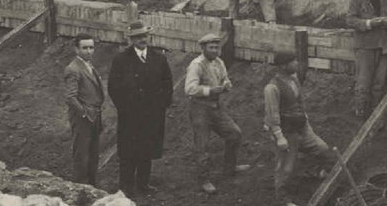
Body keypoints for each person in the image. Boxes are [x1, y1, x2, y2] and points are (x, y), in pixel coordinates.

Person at [264, 52, 337, 206]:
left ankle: (317, 173)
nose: (296, 63)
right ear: (283, 66)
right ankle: (283, 201)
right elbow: (272, 114)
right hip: (286, 133)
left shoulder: (294, 79)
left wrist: (306, 123)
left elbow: (300, 103)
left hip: (301, 128)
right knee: (285, 168)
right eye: (293, 62)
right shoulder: (272, 88)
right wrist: (279, 137)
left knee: (322, 149)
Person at [107, 20, 173, 196]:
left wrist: (162, 106)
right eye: (137, 37)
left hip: (152, 114)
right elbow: (113, 87)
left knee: (147, 149)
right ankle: (125, 186)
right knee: (128, 151)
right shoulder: (121, 60)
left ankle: (143, 184)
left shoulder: (159, 58)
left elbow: (168, 83)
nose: (141, 40)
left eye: (143, 36)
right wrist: (124, 108)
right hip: (130, 115)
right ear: (131, 40)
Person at [185, 32, 249, 195]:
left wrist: (226, 84)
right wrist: (209, 90)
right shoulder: (197, 64)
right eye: (211, 47)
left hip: (215, 106)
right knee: (203, 144)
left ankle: (230, 167)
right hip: (200, 108)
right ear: (203, 48)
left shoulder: (219, 62)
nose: (214, 50)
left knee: (234, 133)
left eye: (217, 47)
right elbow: (189, 89)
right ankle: (203, 179)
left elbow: (225, 78)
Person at [345, 0, 387, 118]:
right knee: (363, 83)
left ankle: (376, 115)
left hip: (383, 46)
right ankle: (361, 114)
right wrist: (368, 23)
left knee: (379, 84)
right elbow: (349, 20)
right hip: (365, 46)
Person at [63, 34, 104, 187]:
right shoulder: (73, 69)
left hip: (94, 115)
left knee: (93, 153)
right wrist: (84, 113)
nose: (88, 51)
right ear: (76, 49)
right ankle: (80, 187)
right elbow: (70, 97)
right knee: (82, 154)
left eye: (91, 47)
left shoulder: (88, 66)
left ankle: (92, 186)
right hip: (83, 118)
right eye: (84, 48)